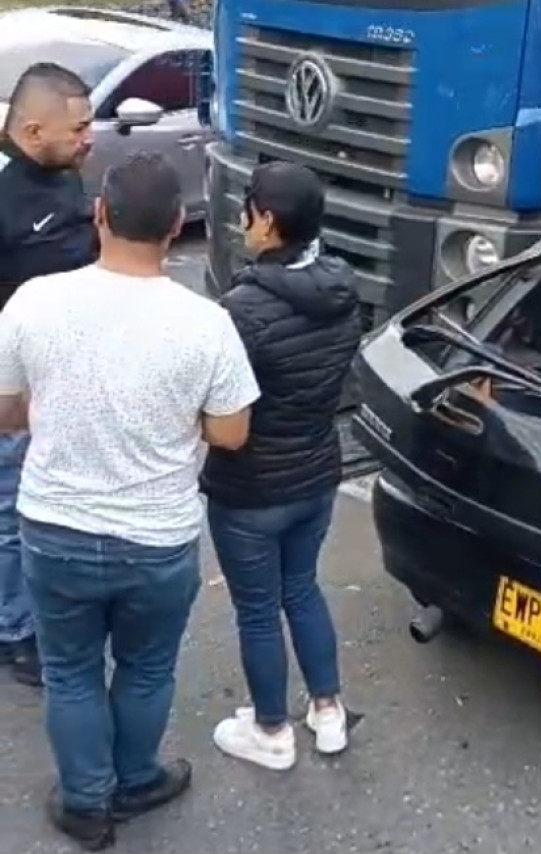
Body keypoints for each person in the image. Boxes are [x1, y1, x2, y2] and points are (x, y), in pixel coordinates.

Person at [0, 151, 260, 851]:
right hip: (157, 537)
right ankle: (137, 778)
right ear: (178, 225)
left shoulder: (34, 302)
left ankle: (86, 804)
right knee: (146, 667)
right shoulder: (206, 324)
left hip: (54, 527)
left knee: (70, 669)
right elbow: (232, 433)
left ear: (100, 215)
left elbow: (6, 412)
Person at [201, 161, 361, 771]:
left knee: (259, 610)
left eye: (247, 210)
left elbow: (217, 406)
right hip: (317, 473)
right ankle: (328, 712)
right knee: (302, 589)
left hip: (251, 489)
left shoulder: (240, 310)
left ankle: (271, 730)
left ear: (267, 221)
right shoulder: (343, 290)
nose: (242, 221)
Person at [0, 62, 98, 688]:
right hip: (18, 389)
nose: (91, 136)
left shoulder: (63, 172)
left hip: (67, 379)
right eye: (80, 127)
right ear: (34, 131)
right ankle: (16, 632)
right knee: (14, 513)